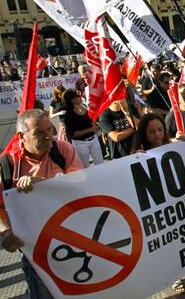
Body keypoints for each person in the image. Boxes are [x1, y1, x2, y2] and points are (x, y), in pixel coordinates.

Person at [0, 109, 83, 299]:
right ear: (22, 136)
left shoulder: (62, 149)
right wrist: (6, 233)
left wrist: (43, 185)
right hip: (35, 251)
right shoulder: (7, 165)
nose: (48, 136)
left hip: (74, 238)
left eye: (49, 129)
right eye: (39, 132)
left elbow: (80, 184)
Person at [63, 89, 104, 167]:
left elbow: (90, 119)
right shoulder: (68, 115)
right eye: (77, 96)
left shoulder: (84, 106)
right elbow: (73, 134)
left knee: (100, 163)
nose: (80, 97)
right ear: (72, 100)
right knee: (84, 166)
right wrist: (91, 129)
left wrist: (95, 123)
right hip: (80, 143)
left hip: (93, 139)